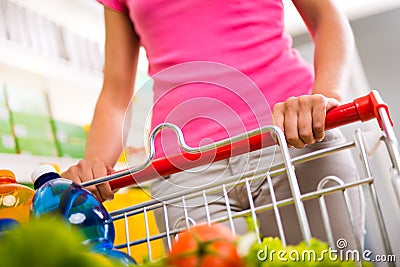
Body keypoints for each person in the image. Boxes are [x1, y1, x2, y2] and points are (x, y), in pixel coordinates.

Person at [62, 0, 365, 250]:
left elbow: (326, 18)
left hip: (290, 139)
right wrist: (94, 166)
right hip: (183, 169)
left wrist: (324, 97)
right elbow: (116, 93)